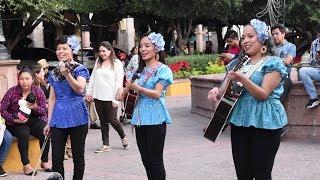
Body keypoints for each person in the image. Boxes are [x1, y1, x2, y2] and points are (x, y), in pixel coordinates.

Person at [208, 19, 288, 179]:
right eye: (243, 37)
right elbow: (223, 92)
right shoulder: (236, 64)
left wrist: (242, 78)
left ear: (262, 38)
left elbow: (263, 94)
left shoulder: (273, 62)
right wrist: (216, 91)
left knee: (261, 173)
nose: (245, 41)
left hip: (266, 121)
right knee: (242, 173)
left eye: (250, 36)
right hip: (240, 119)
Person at [118, 32, 173, 180]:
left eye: (147, 46)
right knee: (146, 161)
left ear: (157, 48)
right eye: (141, 46)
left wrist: (138, 89)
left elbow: (157, 94)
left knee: (156, 161)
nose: (142, 49)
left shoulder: (163, 70)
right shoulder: (140, 71)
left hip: (156, 119)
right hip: (140, 119)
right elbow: (127, 92)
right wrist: (122, 91)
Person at [43, 35, 90, 180]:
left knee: (77, 156)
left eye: (64, 48)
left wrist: (67, 75)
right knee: (57, 158)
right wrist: (49, 121)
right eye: (58, 48)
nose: (60, 51)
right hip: (58, 117)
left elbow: (80, 89)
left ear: (72, 50)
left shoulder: (80, 69)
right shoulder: (53, 72)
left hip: (78, 116)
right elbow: (52, 98)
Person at [0, 68, 51, 175]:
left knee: (45, 130)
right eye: (22, 79)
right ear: (18, 80)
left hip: (33, 119)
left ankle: (44, 161)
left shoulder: (38, 91)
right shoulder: (12, 91)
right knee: (23, 133)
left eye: (27, 79)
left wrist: (35, 107)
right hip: (15, 121)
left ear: (32, 79)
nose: (24, 81)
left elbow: (43, 111)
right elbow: (2, 109)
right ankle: (26, 164)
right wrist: (13, 119)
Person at [86, 41, 130, 153]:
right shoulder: (98, 62)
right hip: (98, 96)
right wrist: (89, 92)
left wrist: (116, 99)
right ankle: (105, 144)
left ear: (110, 51)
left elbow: (119, 82)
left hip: (111, 97)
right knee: (103, 121)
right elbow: (93, 78)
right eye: (100, 51)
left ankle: (123, 136)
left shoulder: (117, 63)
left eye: (104, 51)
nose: (102, 53)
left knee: (112, 119)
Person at [271, 23, 296, 103]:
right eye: (273, 34)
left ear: (283, 34)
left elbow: (288, 61)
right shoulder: (270, 47)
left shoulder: (291, 46)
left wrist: (272, 59)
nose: (274, 36)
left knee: (287, 82)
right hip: (270, 75)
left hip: (283, 76)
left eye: (277, 33)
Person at [299, 25, 320, 108]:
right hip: (318, 71)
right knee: (302, 71)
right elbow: (311, 63)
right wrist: (316, 59)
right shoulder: (314, 43)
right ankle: (314, 98)